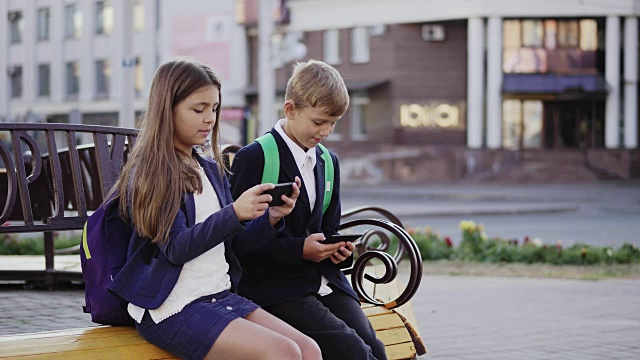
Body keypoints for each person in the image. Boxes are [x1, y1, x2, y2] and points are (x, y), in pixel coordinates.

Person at [107, 58, 321, 360]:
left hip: (217, 295)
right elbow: (176, 249)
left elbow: (229, 247)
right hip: (171, 306)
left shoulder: (209, 168)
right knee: (283, 353)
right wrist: (233, 213)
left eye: (215, 108)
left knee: (309, 350)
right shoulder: (154, 171)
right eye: (198, 109)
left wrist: (269, 218)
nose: (209, 118)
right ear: (167, 110)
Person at [230, 59, 387, 360]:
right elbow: (235, 242)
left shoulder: (328, 162)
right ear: (290, 110)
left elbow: (328, 229)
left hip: (324, 281)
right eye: (319, 122)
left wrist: (339, 250)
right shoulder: (256, 158)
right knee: (352, 351)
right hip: (274, 288)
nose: (326, 131)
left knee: (374, 348)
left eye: (333, 123)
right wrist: (299, 250)